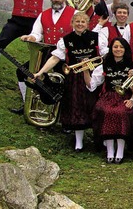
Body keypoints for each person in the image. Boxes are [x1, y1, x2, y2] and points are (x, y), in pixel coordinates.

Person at [34, 12, 108, 151]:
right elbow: (55, 58)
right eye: (77, 21)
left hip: (95, 75)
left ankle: (101, 139)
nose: (80, 24)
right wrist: (41, 72)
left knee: (96, 106)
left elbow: (105, 55)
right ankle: (79, 141)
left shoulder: (97, 37)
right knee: (77, 108)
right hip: (74, 78)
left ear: (87, 24)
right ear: (72, 23)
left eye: (83, 22)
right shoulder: (66, 40)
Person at [12, 0, 74, 114]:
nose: (57, 0)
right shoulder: (43, 14)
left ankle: (63, 114)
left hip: (66, 55)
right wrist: (31, 37)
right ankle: (27, 104)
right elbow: (37, 32)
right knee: (22, 72)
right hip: (46, 52)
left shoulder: (74, 13)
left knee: (65, 82)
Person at [83, 37, 133, 164]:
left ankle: (120, 149)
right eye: (115, 47)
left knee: (121, 112)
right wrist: (85, 70)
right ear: (111, 49)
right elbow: (91, 86)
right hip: (109, 96)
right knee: (106, 111)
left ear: (125, 49)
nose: (118, 49)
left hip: (126, 97)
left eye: (121, 47)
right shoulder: (104, 65)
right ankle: (109, 150)